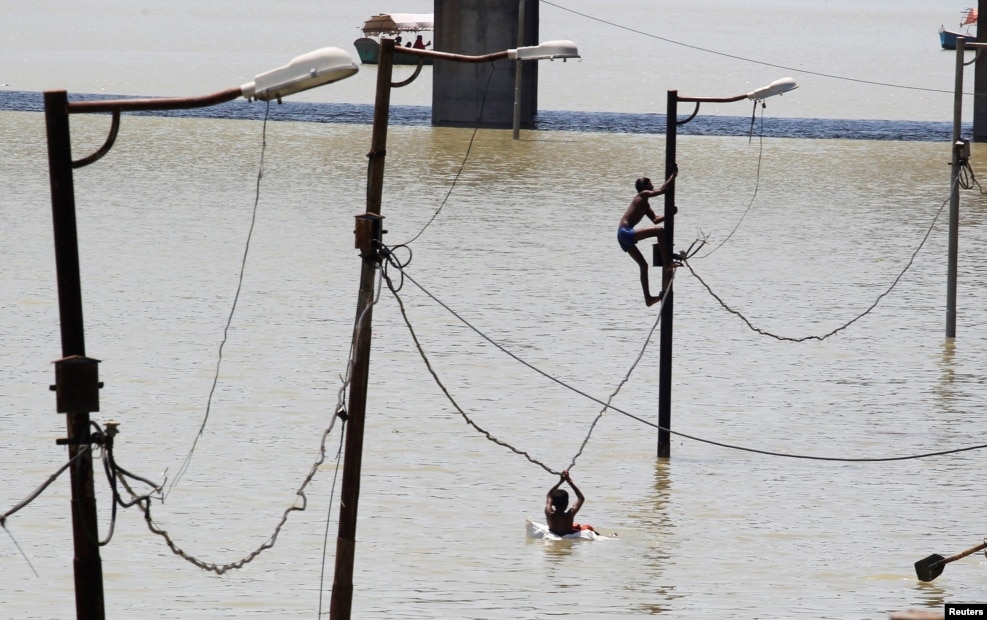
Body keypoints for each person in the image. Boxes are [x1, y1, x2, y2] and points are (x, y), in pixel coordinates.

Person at [617, 168, 679, 307]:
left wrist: (670, 214)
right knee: (660, 231)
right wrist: (673, 176)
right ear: (644, 187)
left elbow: (656, 219)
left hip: (622, 236)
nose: (652, 186)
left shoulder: (644, 204)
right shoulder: (643, 195)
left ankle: (648, 299)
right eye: (650, 184)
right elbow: (662, 191)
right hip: (625, 232)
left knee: (643, 265)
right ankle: (668, 263)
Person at [545, 470, 597, 536]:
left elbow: (549, 495)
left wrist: (560, 482)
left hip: (555, 532)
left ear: (553, 503)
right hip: (567, 534)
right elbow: (581, 498)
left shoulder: (549, 513)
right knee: (587, 527)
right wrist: (570, 482)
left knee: (576, 525)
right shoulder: (569, 514)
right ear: (567, 503)